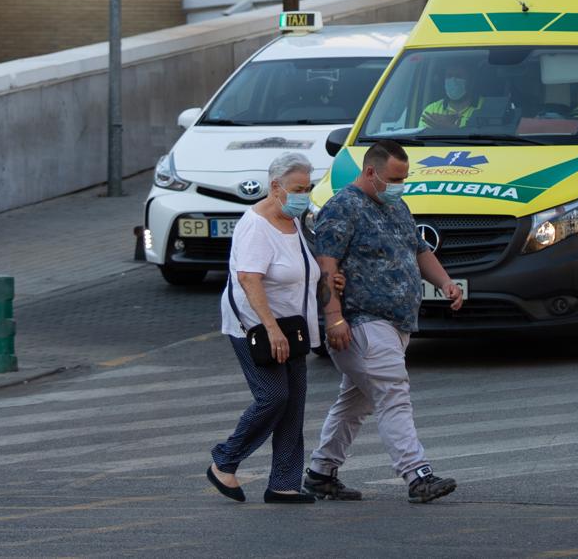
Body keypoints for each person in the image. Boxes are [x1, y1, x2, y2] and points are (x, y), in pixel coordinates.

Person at [303, 140, 465, 504]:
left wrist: (445, 283)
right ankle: (416, 473)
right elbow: (326, 267)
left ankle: (320, 472)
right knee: (393, 392)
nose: (400, 186)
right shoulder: (342, 207)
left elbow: (419, 250)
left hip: (396, 323)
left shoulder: (397, 206)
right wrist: (334, 320)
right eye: (395, 178)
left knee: (354, 403)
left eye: (404, 178)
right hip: (360, 322)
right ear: (371, 172)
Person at [206, 152, 328, 505]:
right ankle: (224, 460)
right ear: (275, 187)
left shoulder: (296, 220)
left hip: (294, 328)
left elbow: (302, 267)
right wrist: (271, 328)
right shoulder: (255, 226)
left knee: (294, 405)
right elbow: (248, 279)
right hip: (257, 328)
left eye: (308, 187)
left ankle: (284, 484)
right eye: (298, 188)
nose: (304, 194)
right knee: (274, 396)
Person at [420, 63, 482, 128]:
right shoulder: (432, 110)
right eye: (449, 76)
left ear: (470, 81)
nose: (453, 80)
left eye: (459, 76)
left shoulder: (485, 106)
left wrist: (449, 130)